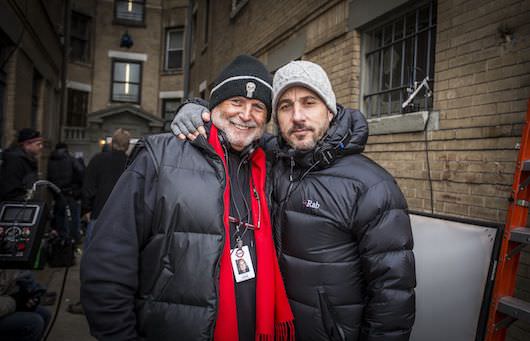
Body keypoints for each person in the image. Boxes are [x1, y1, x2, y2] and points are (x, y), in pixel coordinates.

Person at [172, 60, 416, 340]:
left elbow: (393, 296)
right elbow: (233, 126)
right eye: (285, 106)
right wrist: (194, 109)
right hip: (271, 328)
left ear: (329, 110)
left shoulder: (372, 186)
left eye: (309, 102)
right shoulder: (270, 159)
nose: (297, 116)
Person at [80, 55, 294, 340]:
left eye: (257, 107)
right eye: (236, 102)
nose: (246, 114)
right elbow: (108, 260)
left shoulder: (266, 167)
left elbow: (306, 138)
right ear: (213, 106)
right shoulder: (160, 156)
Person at [81, 128, 130, 245]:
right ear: (127, 146)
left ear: (112, 143)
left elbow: (88, 186)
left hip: (99, 212)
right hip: (123, 217)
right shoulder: (131, 163)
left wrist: (86, 209)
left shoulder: (98, 160)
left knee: (92, 255)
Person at [47, 142, 84, 244]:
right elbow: (82, 174)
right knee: (72, 222)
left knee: (60, 222)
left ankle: (60, 246)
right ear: (66, 149)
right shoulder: (71, 160)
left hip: (58, 196)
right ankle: (72, 246)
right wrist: (78, 192)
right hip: (71, 196)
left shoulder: (50, 161)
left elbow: (49, 180)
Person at [0, 270, 51, 341]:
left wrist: (33, 293)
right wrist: (15, 301)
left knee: (45, 314)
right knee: (34, 322)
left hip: (6, 303)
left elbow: (17, 275)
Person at [0, 128, 44, 201]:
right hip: (17, 209)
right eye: (38, 144)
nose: (41, 147)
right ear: (27, 144)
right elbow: (11, 191)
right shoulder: (15, 160)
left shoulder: (28, 160)